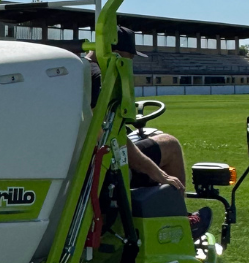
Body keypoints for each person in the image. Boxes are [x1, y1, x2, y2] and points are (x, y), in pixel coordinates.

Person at [85, 28, 211, 235]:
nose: (130, 65)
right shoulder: (99, 79)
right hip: (101, 168)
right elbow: (108, 139)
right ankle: (181, 221)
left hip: (82, 159)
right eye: (129, 58)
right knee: (170, 144)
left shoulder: (76, 70)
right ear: (114, 53)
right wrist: (158, 173)